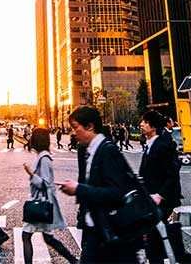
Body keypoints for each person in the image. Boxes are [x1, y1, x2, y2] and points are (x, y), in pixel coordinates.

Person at [59, 106, 142, 263]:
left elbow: (117, 193)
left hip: (111, 232)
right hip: (97, 229)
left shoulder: (107, 150)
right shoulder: (89, 150)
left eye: (76, 128)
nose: (73, 132)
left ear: (90, 126)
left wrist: (78, 189)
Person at [139, 110, 191, 264]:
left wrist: (160, 195)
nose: (141, 124)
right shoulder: (150, 144)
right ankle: (184, 258)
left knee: (154, 237)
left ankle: (184, 258)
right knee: (156, 238)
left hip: (163, 199)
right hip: (152, 198)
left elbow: (172, 174)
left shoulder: (163, 145)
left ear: (153, 127)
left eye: (145, 122)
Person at [21, 128, 77, 264]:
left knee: (26, 235)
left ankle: (74, 260)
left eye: (33, 136)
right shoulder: (43, 156)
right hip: (43, 202)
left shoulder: (44, 158)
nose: (30, 139)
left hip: (41, 203)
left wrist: (30, 173)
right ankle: (74, 260)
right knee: (48, 238)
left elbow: (44, 183)